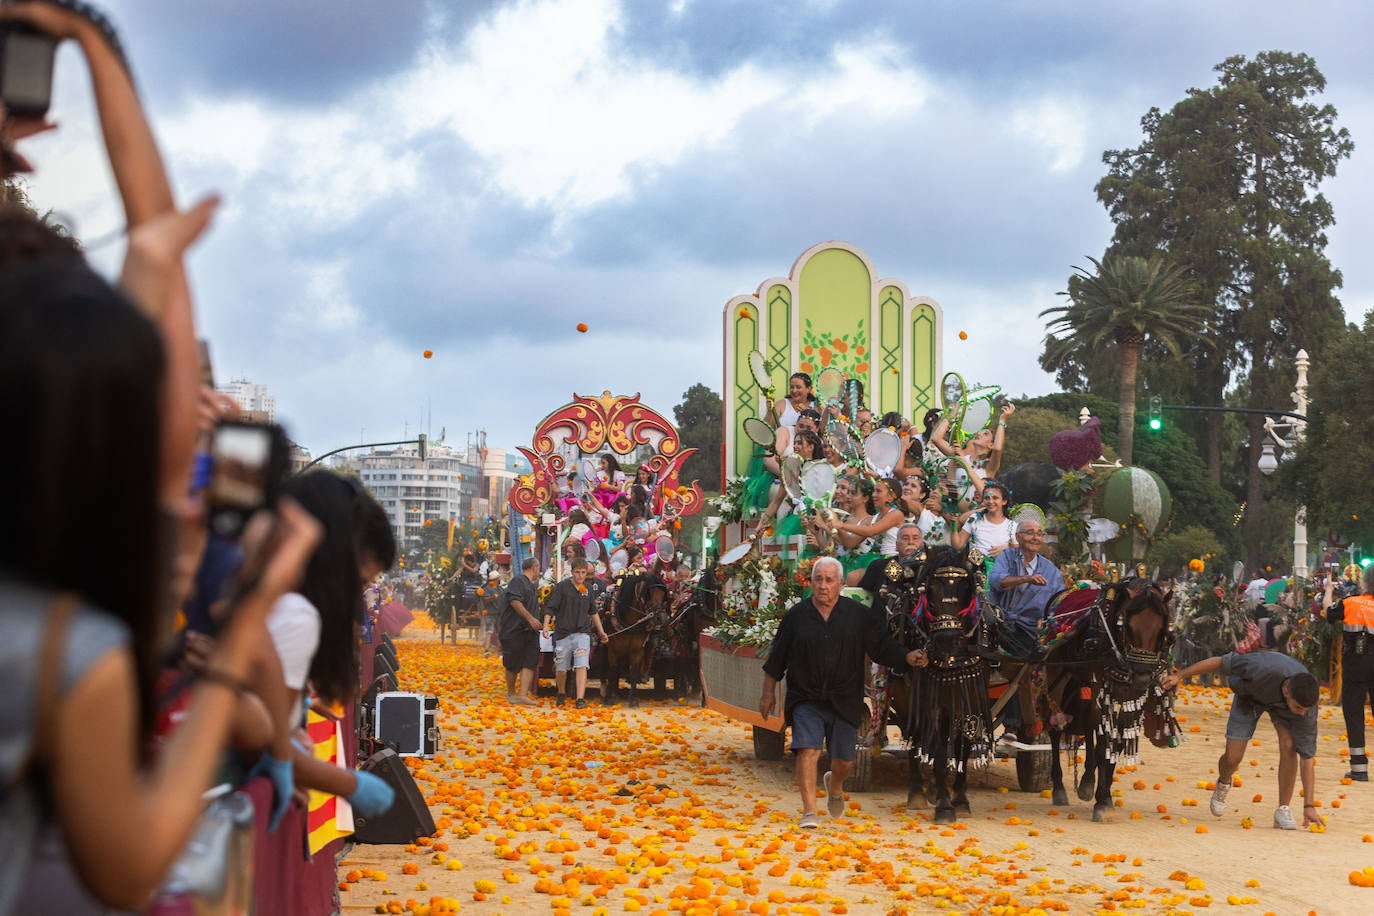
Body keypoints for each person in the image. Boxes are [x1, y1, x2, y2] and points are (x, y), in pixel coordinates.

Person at [758, 557, 927, 828]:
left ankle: (834, 785)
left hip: (844, 698)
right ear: (812, 582)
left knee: (846, 761)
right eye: (818, 580)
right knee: (808, 750)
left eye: (829, 580)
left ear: (839, 583)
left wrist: (906, 657)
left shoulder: (858, 615)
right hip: (806, 698)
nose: (823, 586)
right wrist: (767, 695)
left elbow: (881, 647)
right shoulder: (796, 617)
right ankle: (809, 812)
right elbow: (777, 659)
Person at [1161, 653, 1321, 829]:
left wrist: (1309, 806)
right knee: (1232, 758)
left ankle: (1283, 810)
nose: (1303, 713)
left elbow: (1307, 758)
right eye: (1299, 707)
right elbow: (1219, 663)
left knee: (1289, 745)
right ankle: (1223, 782)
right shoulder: (1259, 666)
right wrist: (1179, 675)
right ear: (1286, 691)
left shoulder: (1305, 708)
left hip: (1282, 709)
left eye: (1306, 709)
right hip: (1249, 697)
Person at [987, 514, 1064, 659]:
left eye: (1039, 534)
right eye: (1030, 533)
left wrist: (1049, 618)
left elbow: (1059, 601)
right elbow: (996, 581)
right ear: (1018, 537)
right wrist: (1026, 579)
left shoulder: (1050, 570)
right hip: (1000, 627)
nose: (1035, 537)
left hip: (1031, 631)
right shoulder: (1007, 556)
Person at [1325, 564, 1374, 781]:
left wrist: (1328, 590)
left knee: (1354, 713)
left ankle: (1359, 769)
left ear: (1365, 581)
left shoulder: (1350, 603)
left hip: (1355, 665)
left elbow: (1328, 612)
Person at [542, 559, 609, 708]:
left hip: (582, 633)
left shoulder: (588, 589)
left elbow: (593, 612)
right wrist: (546, 626)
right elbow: (550, 608)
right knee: (561, 668)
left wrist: (601, 632)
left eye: (583, 573)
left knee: (582, 665)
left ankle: (580, 699)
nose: (580, 576)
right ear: (572, 572)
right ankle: (561, 692)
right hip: (563, 633)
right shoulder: (562, 587)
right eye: (577, 572)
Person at [499, 558, 543, 706]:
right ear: (534, 567)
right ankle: (511, 693)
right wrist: (530, 619)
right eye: (538, 568)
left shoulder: (530, 585)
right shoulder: (518, 581)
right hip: (514, 630)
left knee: (530, 661)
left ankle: (523, 694)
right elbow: (515, 602)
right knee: (512, 662)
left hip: (530, 632)